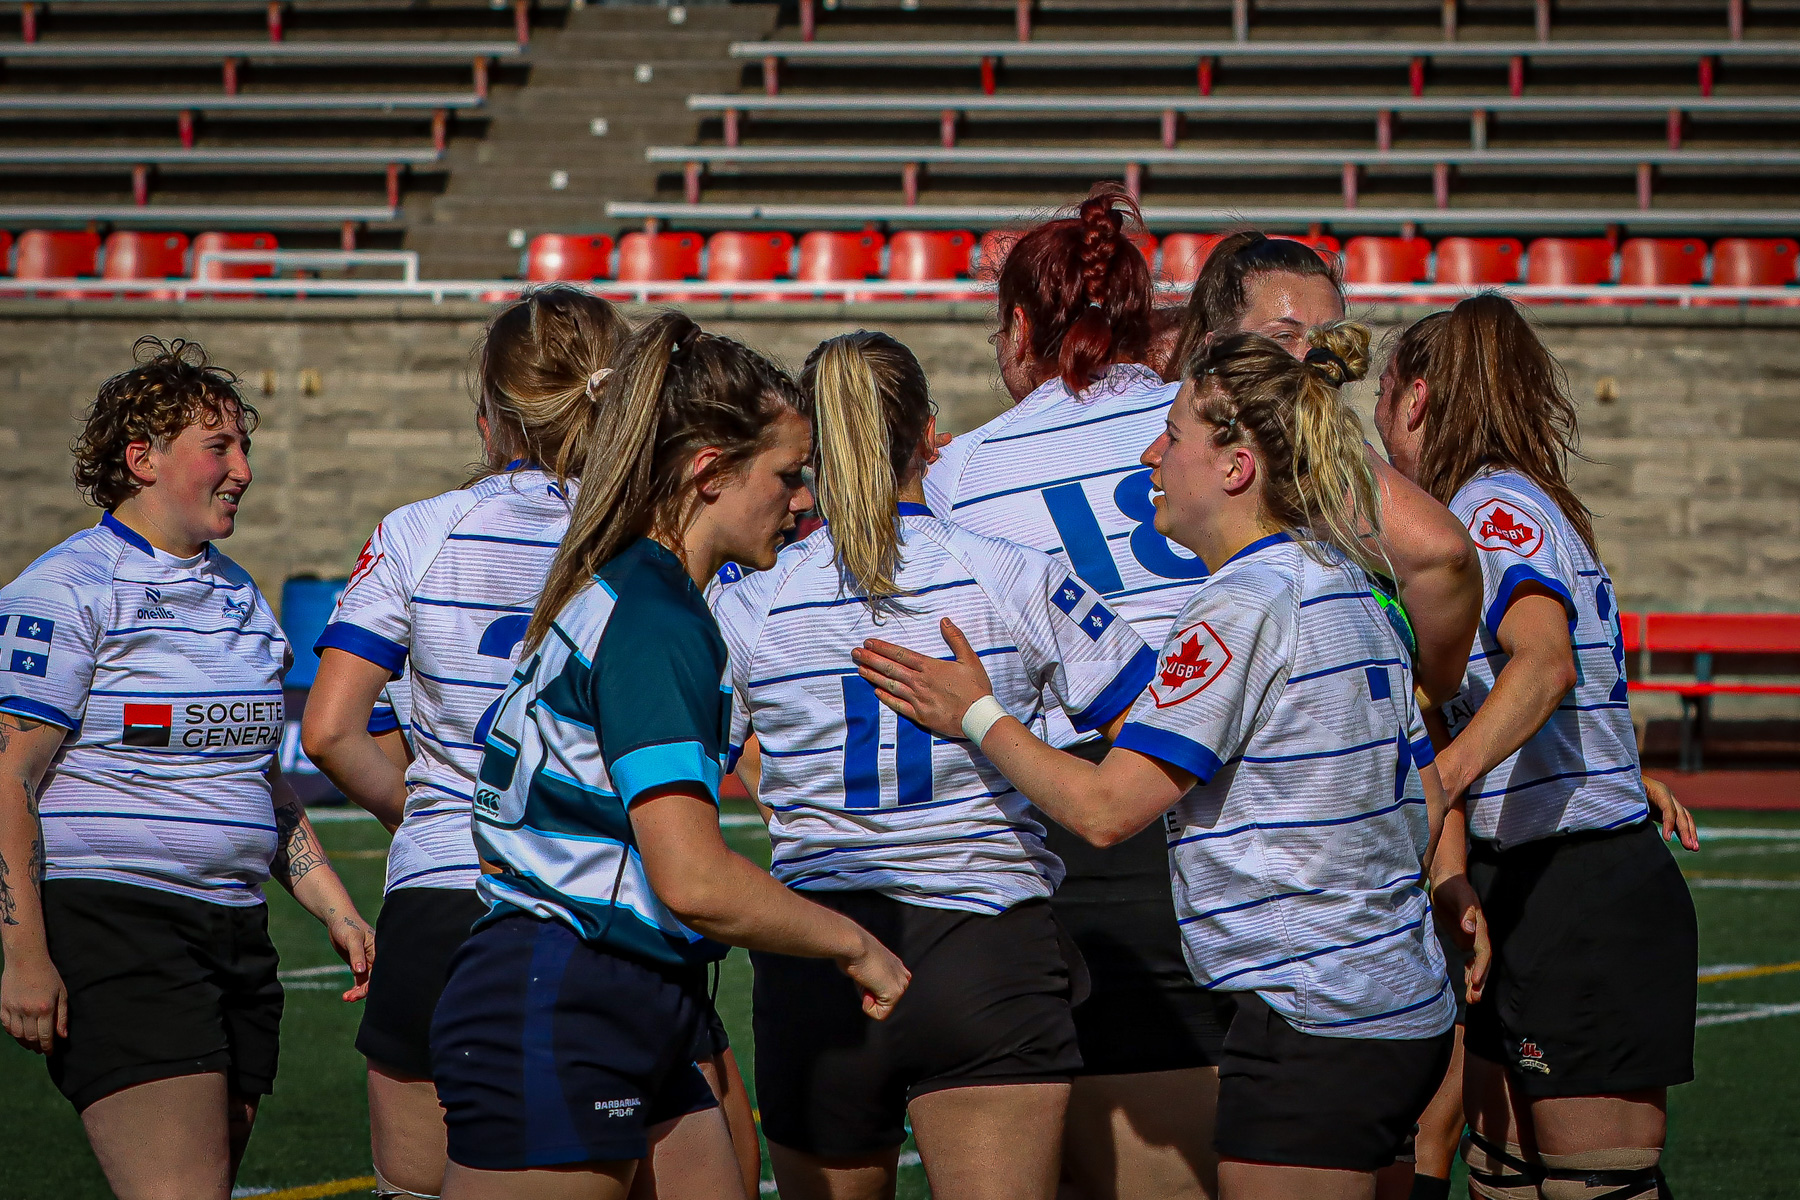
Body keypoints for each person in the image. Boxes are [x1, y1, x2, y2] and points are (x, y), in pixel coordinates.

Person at [922, 188, 1483, 1200]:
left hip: (1161, 858)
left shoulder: (981, 471)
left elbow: (1104, 805)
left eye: (1169, 440)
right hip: (1359, 953)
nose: (1148, 460)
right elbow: (1439, 558)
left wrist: (968, 709)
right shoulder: (1339, 573)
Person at [431, 312, 911, 1200]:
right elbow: (693, 877)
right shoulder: (656, 616)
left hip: (623, 988)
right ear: (709, 472)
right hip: (563, 990)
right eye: (787, 475)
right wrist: (854, 946)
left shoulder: (638, 591)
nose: (803, 499)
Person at [300, 286, 764, 1200]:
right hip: (608, 905)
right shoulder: (662, 534)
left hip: (441, 889)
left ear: (494, 409)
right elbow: (716, 729)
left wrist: (445, 808)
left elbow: (329, 729)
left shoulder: (421, 531)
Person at [716, 331, 1157, 1200]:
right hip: (987, 947)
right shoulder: (1013, 573)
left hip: (819, 951)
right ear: (928, 436)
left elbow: (688, 778)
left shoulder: (754, 598)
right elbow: (1155, 722)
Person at [0, 337, 376, 1200]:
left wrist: (335, 907)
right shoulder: (66, 590)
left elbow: (255, 779)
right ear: (143, 459)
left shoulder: (240, 591)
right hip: (119, 923)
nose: (243, 468)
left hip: (238, 933)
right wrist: (23, 955)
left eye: (245, 446)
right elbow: (9, 779)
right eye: (221, 447)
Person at [1374, 293, 1700, 1200]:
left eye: (1383, 407)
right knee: (1503, 1174)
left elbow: (1546, 663)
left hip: (1582, 890)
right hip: (1528, 880)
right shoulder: (1503, 504)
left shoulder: (1489, 506)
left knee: (1595, 1185)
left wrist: (1438, 782)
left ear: (1418, 400)